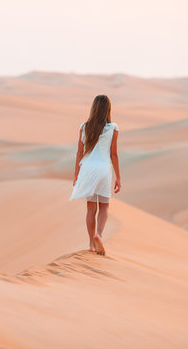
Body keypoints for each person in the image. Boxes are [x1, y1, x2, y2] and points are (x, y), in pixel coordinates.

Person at [69, 94, 121, 255]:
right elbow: (114, 154)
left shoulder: (84, 127)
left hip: (87, 168)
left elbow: (79, 152)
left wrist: (76, 175)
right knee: (104, 206)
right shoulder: (112, 128)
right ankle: (99, 234)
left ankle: (91, 243)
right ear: (108, 109)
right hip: (104, 169)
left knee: (90, 209)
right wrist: (118, 177)